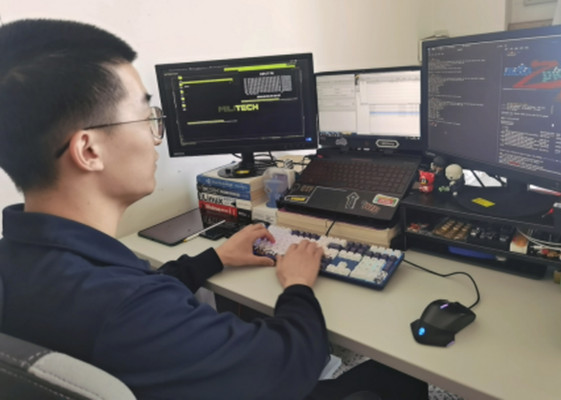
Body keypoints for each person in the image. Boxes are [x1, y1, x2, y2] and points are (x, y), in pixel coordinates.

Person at [0, 19, 428, 399]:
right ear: (89, 150)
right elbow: (293, 360)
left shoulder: (23, 263)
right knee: (399, 376)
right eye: (147, 118)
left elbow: (135, 299)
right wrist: (297, 285)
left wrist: (213, 259)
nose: (156, 137)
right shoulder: (128, 310)